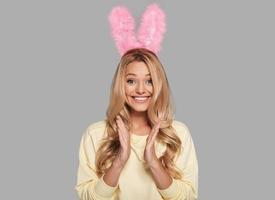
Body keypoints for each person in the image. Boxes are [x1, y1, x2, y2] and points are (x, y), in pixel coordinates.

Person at [75, 4, 198, 200]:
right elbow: (86, 197)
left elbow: (188, 197)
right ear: (120, 84)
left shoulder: (178, 134)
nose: (141, 89)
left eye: (149, 81)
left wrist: (154, 163)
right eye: (131, 81)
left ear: (159, 84)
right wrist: (119, 162)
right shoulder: (96, 134)